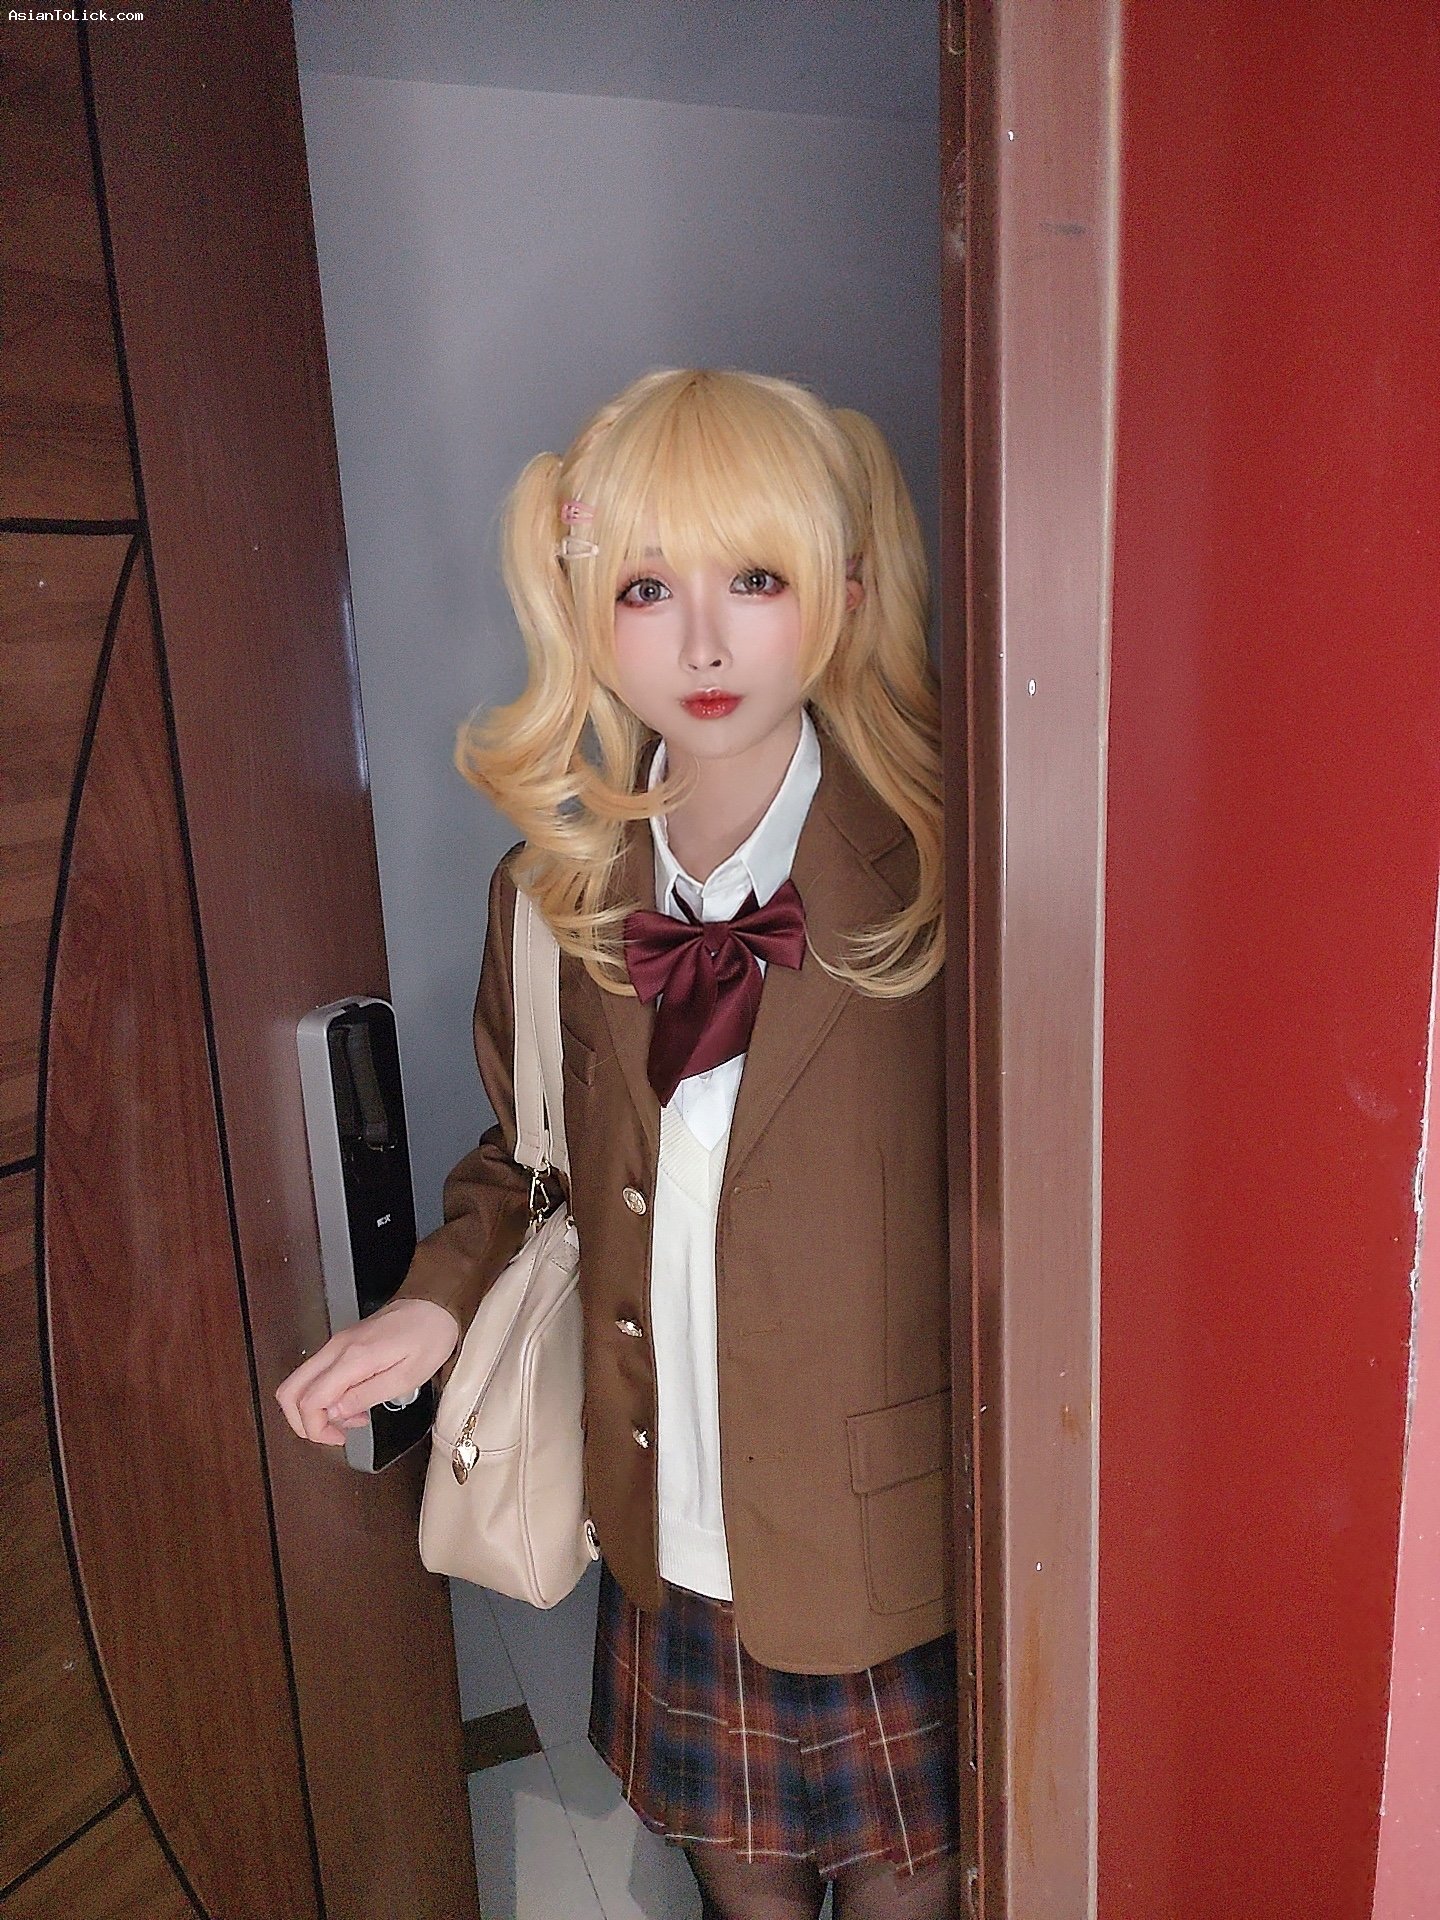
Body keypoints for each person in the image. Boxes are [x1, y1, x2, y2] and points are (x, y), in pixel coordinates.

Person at [277, 368, 960, 1920]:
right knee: (739, 1893)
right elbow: (530, 1164)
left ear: (848, 591)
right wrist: (430, 1305)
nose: (702, 644)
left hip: (879, 1526)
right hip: (671, 1515)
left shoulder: (948, 862)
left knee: (918, 1896)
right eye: (647, 588)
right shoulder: (554, 892)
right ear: (582, 605)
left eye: (756, 579)